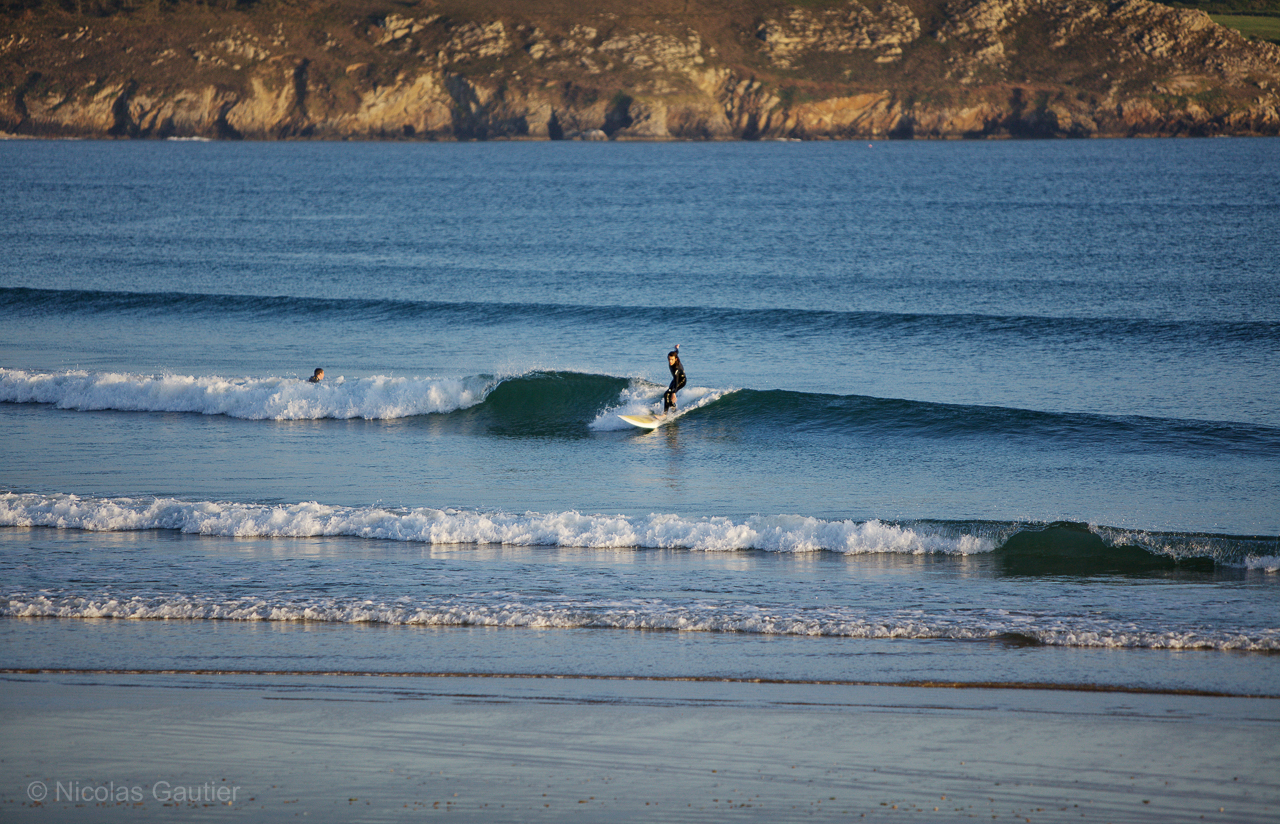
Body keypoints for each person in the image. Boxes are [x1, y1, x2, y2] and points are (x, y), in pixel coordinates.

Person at [663, 345, 685, 414]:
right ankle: (674, 410)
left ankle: (664, 414)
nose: (670, 361)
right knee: (667, 395)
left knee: (667, 394)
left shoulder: (676, 368)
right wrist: (676, 348)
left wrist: (674, 392)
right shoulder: (674, 356)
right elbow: (676, 352)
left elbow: (676, 380)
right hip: (675, 380)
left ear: (675, 359)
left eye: (672, 359)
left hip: (681, 381)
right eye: (669, 359)